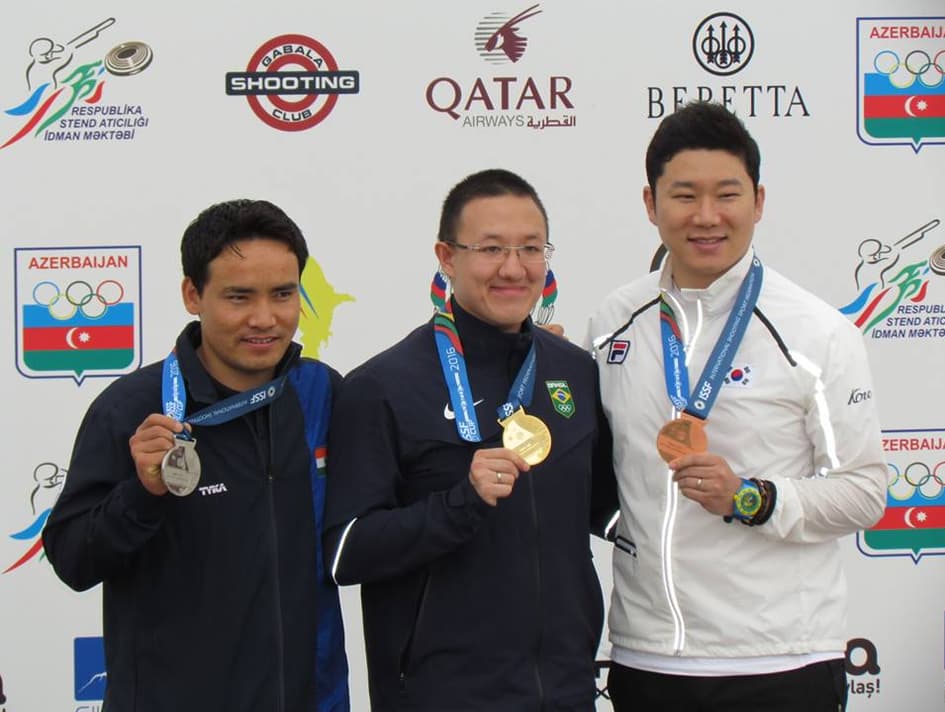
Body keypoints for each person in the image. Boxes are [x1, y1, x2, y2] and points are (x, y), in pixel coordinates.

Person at [586, 101, 888, 711]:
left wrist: (750, 497)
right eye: (683, 195)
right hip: (646, 659)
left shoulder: (817, 332)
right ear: (651, 204)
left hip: (781, 660)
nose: (706, 217)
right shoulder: (614, 322)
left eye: (727, 194)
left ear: (758, 201)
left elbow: (865, 491)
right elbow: (599, 473)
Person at [324, 169, 617, 711]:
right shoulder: (383, 386)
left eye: (530, 248)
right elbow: (345, 553)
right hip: (440, 695)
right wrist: (460, 502)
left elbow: (604, 508)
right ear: (447, 257)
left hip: (564, 690)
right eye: (490, 249)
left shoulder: (574, 371)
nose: (513, 268)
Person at [43, 200, 349, 712]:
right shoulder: (132, 409)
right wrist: (142, 494)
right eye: (238, 296)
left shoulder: (320, 393)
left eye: (283, 294)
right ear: (193, 295)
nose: (265, 318)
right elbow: (73, 558)